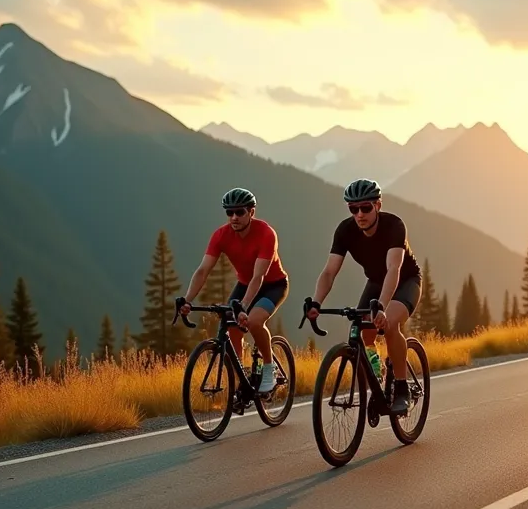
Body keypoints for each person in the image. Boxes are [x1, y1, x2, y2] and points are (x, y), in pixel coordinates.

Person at [305, 178, 422, 415]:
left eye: (365, 207)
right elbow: (329, 272)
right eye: (353, 208)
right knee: (362, 330)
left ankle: (401, 388)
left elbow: (394, 269)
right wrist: (316, 302)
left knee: (388, 324)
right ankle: (377, 374)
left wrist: (382, 306)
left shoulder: (394, 225)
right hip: (376, 283)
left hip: (405, 281)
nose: (359, 214)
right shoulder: (346, 230)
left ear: (378, 205)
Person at [180, 187, 289, 393]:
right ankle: (240, 380)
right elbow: (203, 270)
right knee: (230, 326)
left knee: (255, 321)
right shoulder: (221, 235)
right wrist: (187, 300)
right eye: (229, 212)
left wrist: (244, 307)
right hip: (245, 285)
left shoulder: (266, 233)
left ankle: (268, 368)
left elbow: (259, 276)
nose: (234, 217)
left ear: (251, 212)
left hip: (272, 285)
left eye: (239, 212)